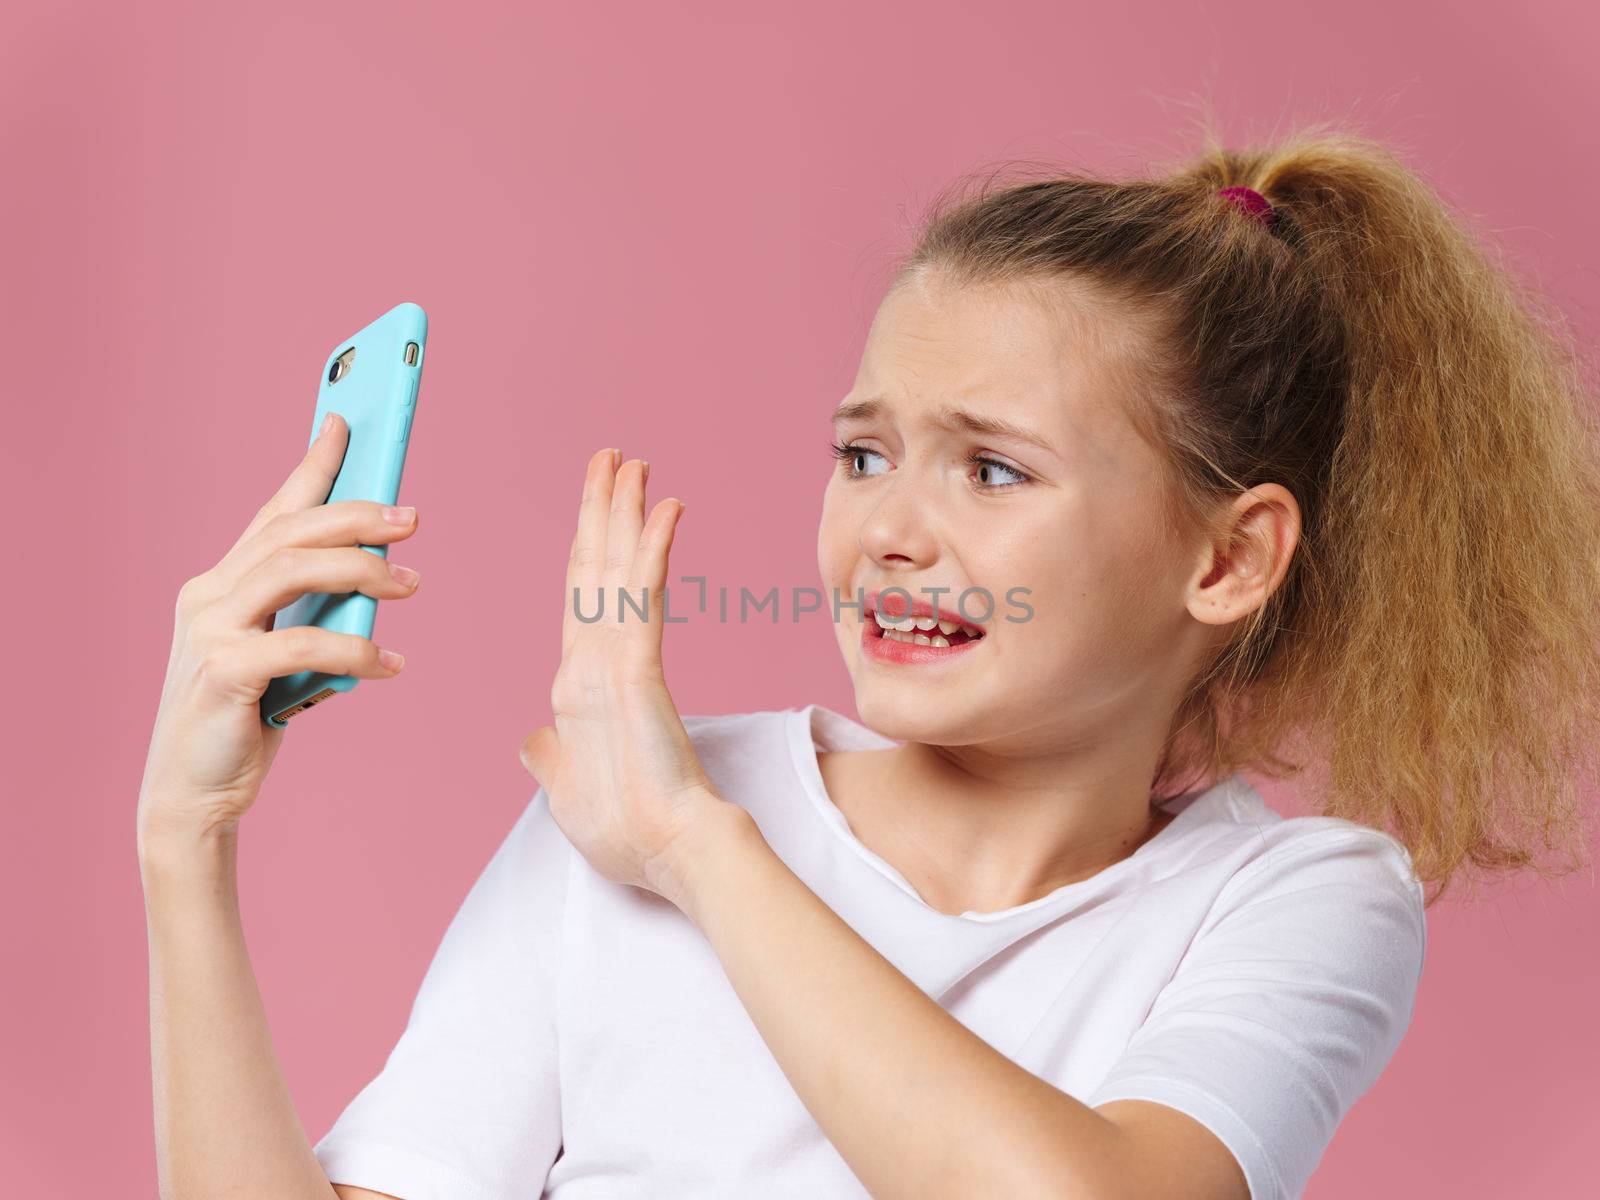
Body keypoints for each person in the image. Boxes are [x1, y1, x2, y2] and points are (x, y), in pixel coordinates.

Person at [137, 124, 1600, 1200]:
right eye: (864, 452)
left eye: (995, 471)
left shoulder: (1295, 903)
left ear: (1226, 560)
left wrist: (699, 852)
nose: (890, 530)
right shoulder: (628, 810)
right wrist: (181, 847)